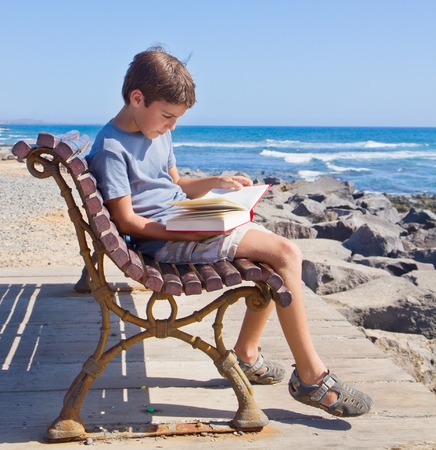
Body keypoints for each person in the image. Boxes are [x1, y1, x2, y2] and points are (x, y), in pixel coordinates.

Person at [87, 46, 373, 418]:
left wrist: (215, 183)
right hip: (168, 241)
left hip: (186, 221)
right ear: (137, 98)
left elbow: (174, 183)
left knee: (274, 252)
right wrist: (183, 232)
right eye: (167, 116)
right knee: (285, 254)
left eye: (176, 119)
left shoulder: (155, 130)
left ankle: (247, 353)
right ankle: (310, 376)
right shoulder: (111, 148)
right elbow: (127, 222)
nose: (171, 126)